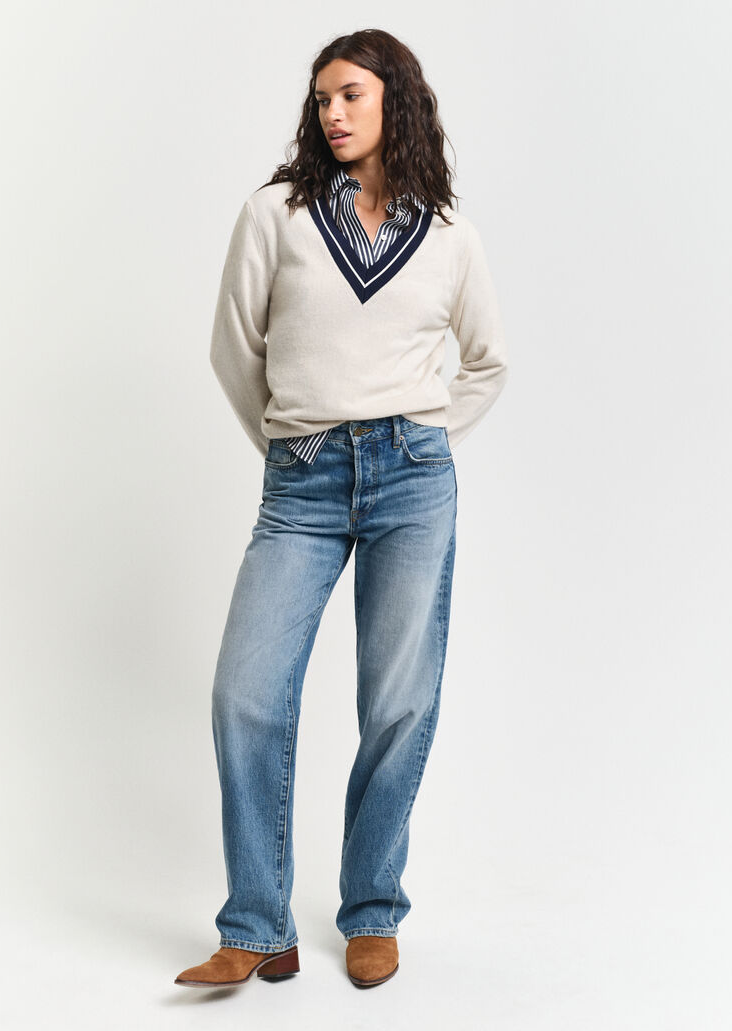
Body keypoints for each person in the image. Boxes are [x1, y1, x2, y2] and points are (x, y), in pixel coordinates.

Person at [174, 27, 508, 991]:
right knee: (244, 691)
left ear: (395, 100)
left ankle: (371, 908)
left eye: (352, 94)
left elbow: (487, 361)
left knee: (398, 701)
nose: (332, 112)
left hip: (413, 479)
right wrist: (290, 444)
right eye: (322, 97)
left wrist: (423, 439)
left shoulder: (447, 234)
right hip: (302, 480)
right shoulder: (274, 214)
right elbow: (233, 348)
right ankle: (257, 925)